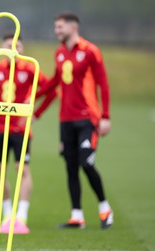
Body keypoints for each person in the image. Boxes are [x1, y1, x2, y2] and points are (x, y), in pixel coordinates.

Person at [36, 13, 113, 229]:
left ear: (73, 27)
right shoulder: (60, 53)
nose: (56, 31)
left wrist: (105, 116)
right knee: (70, 167)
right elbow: (54, 82)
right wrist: (32, 95)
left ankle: (104, 208)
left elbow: (103, 84)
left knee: (86, 162)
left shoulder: (90, 51)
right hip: (66, 119)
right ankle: (77, 216)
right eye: (55, 27)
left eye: (59, 27)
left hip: (87, 118)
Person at [0, 34, 56, 234]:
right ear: (2, 49)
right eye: (8, 46)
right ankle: (7, 214)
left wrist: (35, 113)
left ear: (21, 49)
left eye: (17, 46)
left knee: (21, 170)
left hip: (21, 129)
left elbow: (51, 91)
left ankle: (21, 215)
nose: (12, 49)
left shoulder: (30, 69)